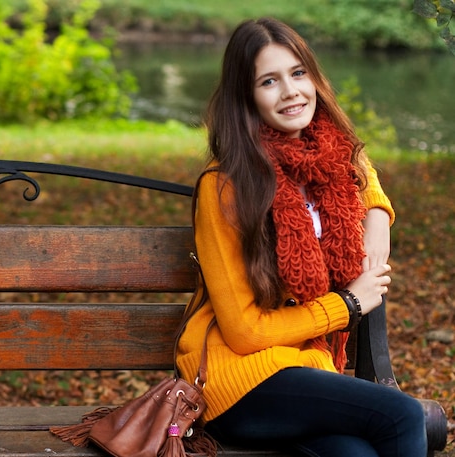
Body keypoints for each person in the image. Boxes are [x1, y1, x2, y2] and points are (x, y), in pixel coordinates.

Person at [176, 17, 427, 457]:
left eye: (298, 73)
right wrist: (346, 305)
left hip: (310, 371)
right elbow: (244, 333)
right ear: (246, 97)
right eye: (268, 81)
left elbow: (361, 172)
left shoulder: (331, 159)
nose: (291, 91)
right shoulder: (226, 188)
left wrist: (376, 215)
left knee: (353, 453)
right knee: (402, 414)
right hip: (240, 380)